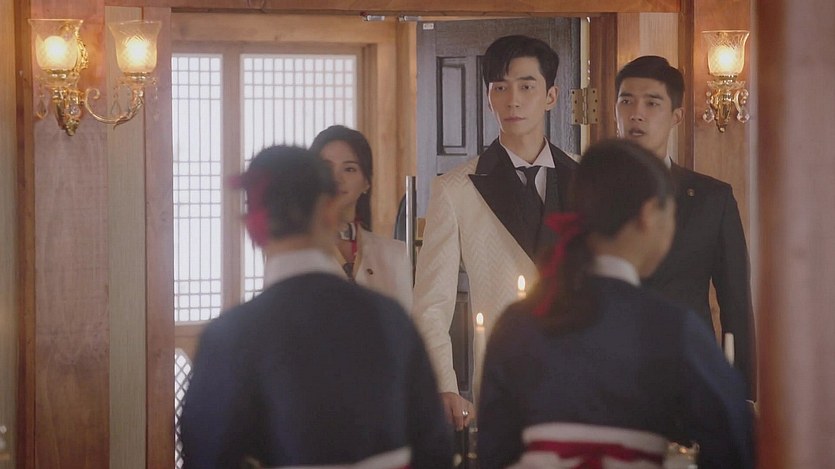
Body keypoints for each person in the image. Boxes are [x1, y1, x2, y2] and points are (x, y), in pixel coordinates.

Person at [477, 139, 754, 469]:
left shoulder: (517, 323)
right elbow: (734, 442)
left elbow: (493, 453)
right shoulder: (671, 328)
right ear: (649, 215)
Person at [180, 146, 452, 469]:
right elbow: (434, 450)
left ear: (252, 227)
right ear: (329, 211)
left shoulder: (228, 337)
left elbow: (207, 456)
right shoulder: (390, 319)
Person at [412, 34, 578, 429]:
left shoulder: (588, 177)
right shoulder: (455, 188)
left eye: (526, 86)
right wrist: (444, 384)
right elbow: (431, 302)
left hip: (581, 379)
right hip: (503, 382)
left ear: (551, 96)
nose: (513, 100)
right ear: (488, 99)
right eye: (500, 88)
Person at [615, 55, 757, 398]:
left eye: (652, 103)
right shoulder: (586, 192)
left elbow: (736, 302)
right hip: (608, 376)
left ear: (676, 116)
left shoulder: (712, 199)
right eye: (626, 101)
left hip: (688, 376)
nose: (636, 114)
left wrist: (743, 394)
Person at [309, 125, 412, 311]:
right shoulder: (293, 254)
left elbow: (405, 323)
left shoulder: (395, 255)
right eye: (326, 167)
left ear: (366, 183)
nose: (336, 178)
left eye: (349, 169)